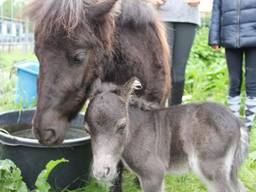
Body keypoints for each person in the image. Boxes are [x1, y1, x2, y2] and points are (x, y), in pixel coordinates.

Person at [209, 0, 256, 129]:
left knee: (252, 82)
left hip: (254, 37)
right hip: (230, 36)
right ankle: (234, 121)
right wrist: (214, 38)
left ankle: (248, 123)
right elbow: (216, 11)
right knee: (234, 80)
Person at [153, 0, 201, 105]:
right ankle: (157, 111)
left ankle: (175, 112)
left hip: (188, 16)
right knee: (163, 69)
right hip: (162, 16)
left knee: (178, 73)